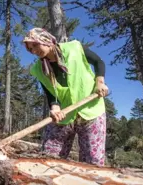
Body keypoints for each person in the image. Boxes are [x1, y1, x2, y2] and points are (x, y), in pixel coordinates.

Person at [22, 28, 109, 166]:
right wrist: (55, 108)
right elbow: (50, 92)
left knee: (93, 160)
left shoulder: (75, 48)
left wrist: (100, 83)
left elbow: (99, 62)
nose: (34, 51)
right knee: (48, 156)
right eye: (30, 49)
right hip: (64, 114)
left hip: (91, 110)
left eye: (35, 45)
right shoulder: (39, 69)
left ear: (45, 40)